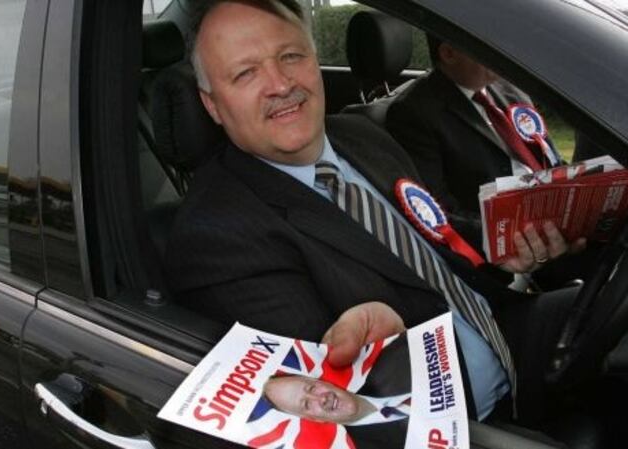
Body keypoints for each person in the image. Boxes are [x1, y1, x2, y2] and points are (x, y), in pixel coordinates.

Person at [164, 0, 579, 424]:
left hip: (507, 328)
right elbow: (332, 403)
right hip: (461, 419)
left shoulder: (361, 135)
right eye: (245, 73)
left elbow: (436, 232)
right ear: (212, 105)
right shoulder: (216, 236)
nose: (279, 83)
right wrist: (376, 347)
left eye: (290, 56)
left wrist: (505, 241)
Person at [386, 36, 565, 248]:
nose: (501, 49)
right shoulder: (415, 112)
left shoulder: (510, 89)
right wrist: (513, 233)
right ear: (449, 54)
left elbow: (550, 159)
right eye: (487, 42)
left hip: (556, 218)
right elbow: (437, 210)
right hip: (509, 244)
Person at [263, 374, 411, 425]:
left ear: (321, 381)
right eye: (307, 404)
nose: (320, 399)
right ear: (312, 419)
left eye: (311, 388)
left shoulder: (394, 353)